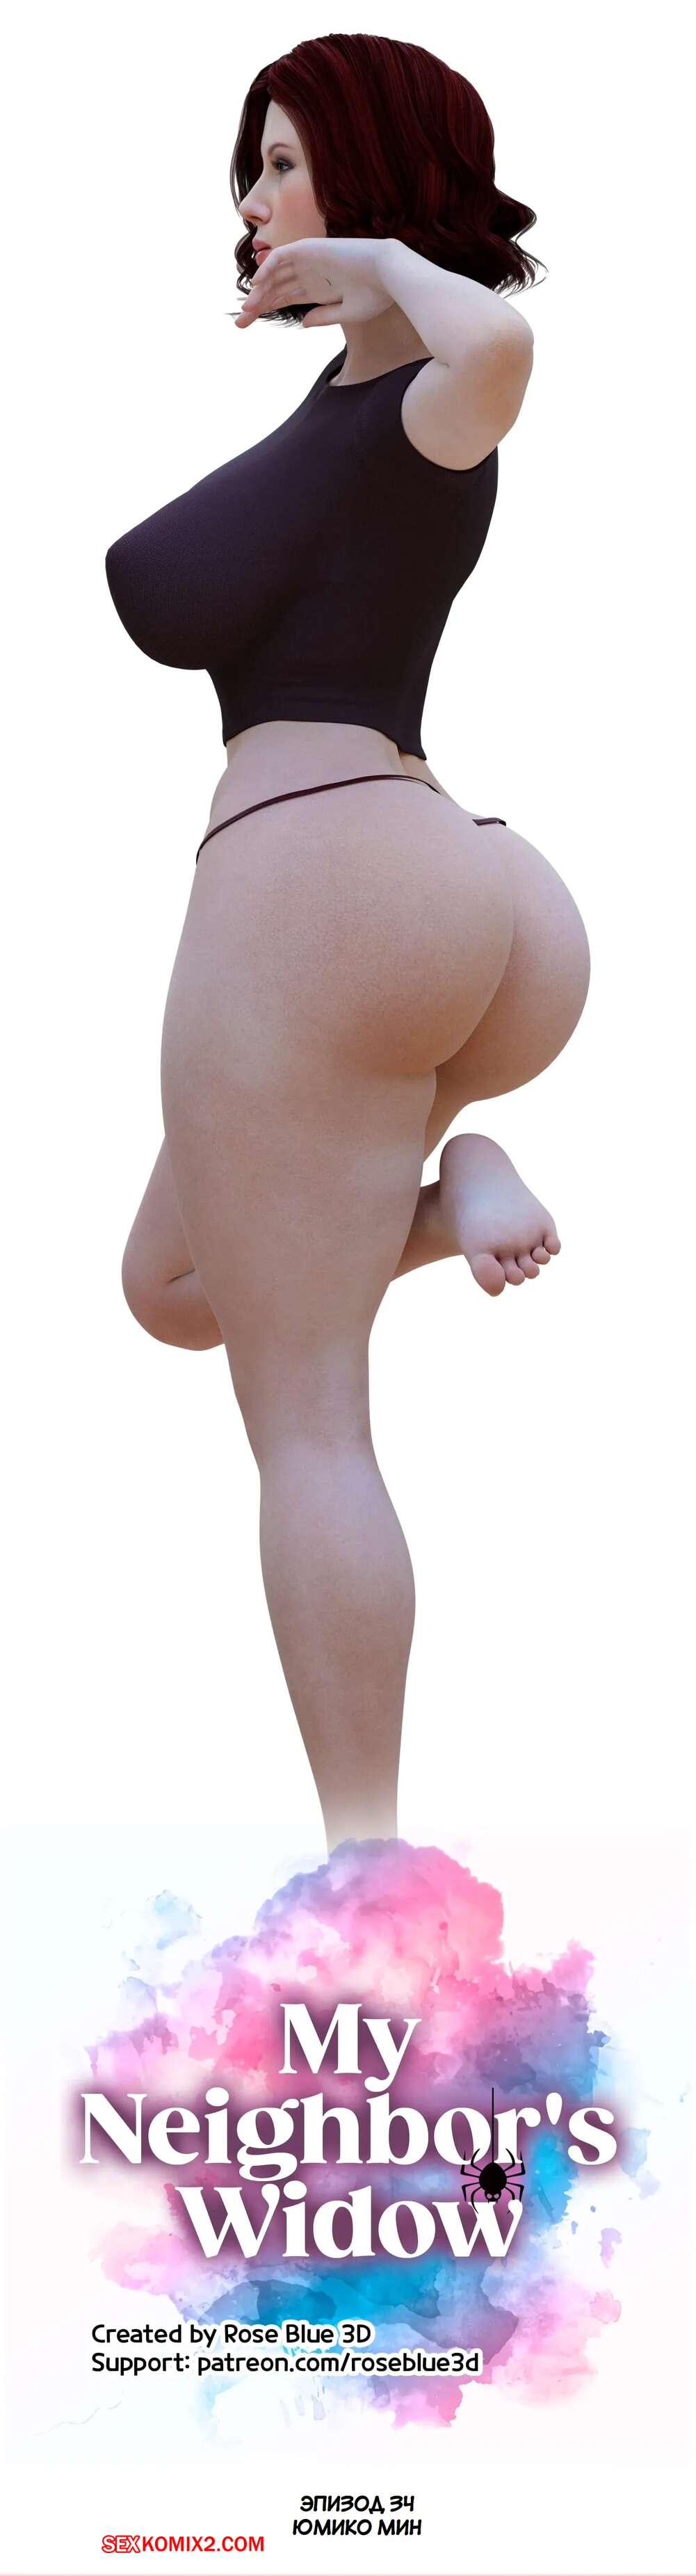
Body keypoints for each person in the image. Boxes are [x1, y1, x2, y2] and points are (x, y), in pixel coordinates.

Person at [109, 34, 590, 1858]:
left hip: (315, 880)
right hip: (453, 895)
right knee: (173, 1286)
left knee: (307, 1424)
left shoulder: (429, 398)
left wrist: (379, 260)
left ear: (378, 178)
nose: (256, 204)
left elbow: (501, 353)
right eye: (251, 169)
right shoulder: (348, 412)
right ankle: (452, 1183)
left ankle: (365, 1881)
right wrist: (360, 281)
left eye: (287, 163)